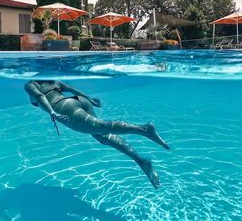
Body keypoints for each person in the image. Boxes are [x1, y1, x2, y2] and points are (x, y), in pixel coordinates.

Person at [25, 80, 170, 189]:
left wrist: (52, 113)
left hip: (64, 107)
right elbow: (70, 88)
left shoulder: (30, 85)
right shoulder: (51, 79)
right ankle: (140, 160)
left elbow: (39, 97)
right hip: (77, 100)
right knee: (102, 135)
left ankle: (144, 130)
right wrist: (89, 98)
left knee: (100, 126)